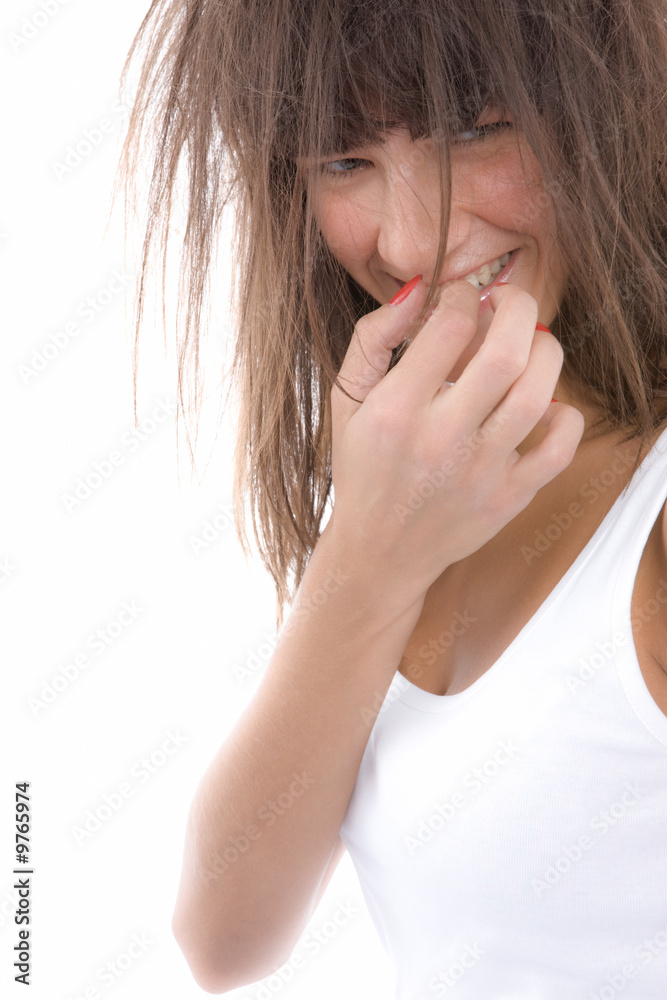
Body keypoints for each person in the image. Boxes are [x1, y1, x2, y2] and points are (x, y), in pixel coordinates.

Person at [116, 1, 667, 995]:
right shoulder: (410, 500)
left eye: (475, 128)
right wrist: (367, 552)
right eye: (342, 160)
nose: (412, 241)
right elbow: (224, 940)